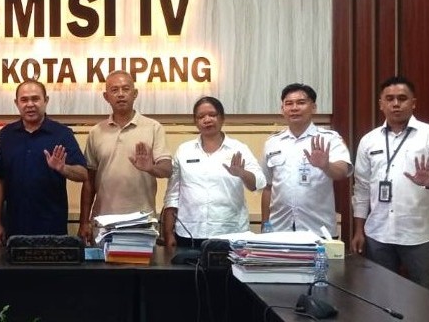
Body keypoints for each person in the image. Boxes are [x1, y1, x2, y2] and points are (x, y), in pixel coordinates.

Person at [351, 76, 429, 292]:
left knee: (425, 297)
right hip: (377, 234)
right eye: (389, 99)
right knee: (379, 296)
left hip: (418, 236)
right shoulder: (369, 140)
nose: (396, 104)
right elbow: (361, 188)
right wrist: (358, 230)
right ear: (381, 104)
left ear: (413, 103)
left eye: (402, 98)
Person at [78, 70, 172, 244]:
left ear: (135, 93)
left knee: (139, 263)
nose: (120, 94)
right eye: (114, 90)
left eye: (125, 89)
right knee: (103, 263)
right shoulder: (96, 132)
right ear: (106, 97)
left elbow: (167, 169)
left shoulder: (153, 127)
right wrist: (84, 222)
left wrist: (151, 168)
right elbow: (89, 181)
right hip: (104, 223)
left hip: (142, 222)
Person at [0, 80, 87, 244]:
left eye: (35, 99)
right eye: (24, 100)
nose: (30, 104)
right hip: (15, 225)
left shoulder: (62, 133)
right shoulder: (6, 135)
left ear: (46, 100)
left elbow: (83, 174)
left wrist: (63, 168)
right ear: (16, 103)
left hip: (52, 225)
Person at [163, 97, 264, 247]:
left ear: (222, 118)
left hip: (230, 233)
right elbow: (172, 195)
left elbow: (259, 183)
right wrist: (168, 233)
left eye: (212, 115)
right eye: (201, 116)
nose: (207, 120)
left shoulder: (239, 148)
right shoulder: (184, 150)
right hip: (189, 233)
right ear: (195, 121)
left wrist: (242, 173)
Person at [260, 84, 352, 235]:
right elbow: (268, 187)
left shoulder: (330, 138)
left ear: (313, 108)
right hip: (279, 229)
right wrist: (265, 224)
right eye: (289, 103)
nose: (294, 108)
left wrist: (326, 166)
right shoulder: (272, 142)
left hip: (319, 230)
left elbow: (342, 171)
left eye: (301, 103)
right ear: (282, 109)